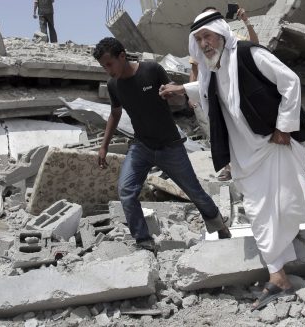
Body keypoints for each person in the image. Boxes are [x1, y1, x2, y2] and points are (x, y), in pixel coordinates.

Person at [159, 9, 305, 311]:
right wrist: (181, 89)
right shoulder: (212, 67)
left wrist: (283, 126)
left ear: (221, 34)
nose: (204, 43)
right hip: (242, 153)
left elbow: (290, 81)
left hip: (271, 141)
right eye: (198, 39)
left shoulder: (251, 54)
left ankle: (281, 269)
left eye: (207, 36)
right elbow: (208, 91)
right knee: (259, 209)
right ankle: (281, 271)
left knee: (283, 203)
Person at [92, 36, 231, 251]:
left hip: (170, 146)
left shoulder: (151, 70)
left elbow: (178, 100)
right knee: (126, 190)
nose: (108, 70)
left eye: (109, 64)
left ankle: (219, 225)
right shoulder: (114, 85)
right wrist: (103, 146)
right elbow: (115, 113)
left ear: (122, 56)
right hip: (141, 146)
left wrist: (172, 94)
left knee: (194, 191)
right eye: (103, 67)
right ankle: (144, 241)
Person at [189, 5, 259, 181]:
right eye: (200, 38)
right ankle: (228, 167)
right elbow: (195, 68)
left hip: (234, 95)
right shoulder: (202, 46)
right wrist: (191, 92)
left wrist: (246, 22)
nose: (203, 41)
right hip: (213, 97)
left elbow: (254, 46)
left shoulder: (232, 41)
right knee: (218, 131)